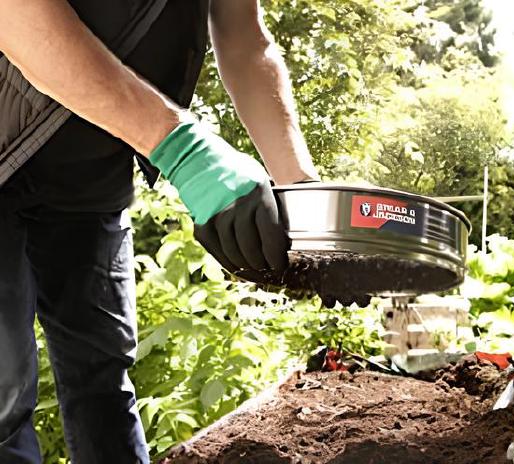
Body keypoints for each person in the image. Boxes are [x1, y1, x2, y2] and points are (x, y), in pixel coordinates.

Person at [0, 0, 319, 462]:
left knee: (102, 379)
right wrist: (181, 146)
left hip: (91, 175)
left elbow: (244, 38)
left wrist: (301, 190)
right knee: (4, 394)